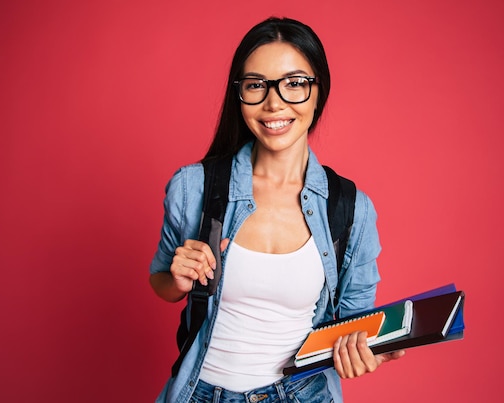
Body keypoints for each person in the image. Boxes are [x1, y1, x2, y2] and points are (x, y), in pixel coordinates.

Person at [149, 16, 404, 403]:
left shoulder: (352, 208)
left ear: (319, 92)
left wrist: (366, 350)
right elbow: (162, 282)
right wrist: (178, 280)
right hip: (199, 393)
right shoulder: (194, 187)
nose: (274, 103)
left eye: (295, 84)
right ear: (240, 95)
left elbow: (354, 324)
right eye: (256, 85)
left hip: (303, 394)